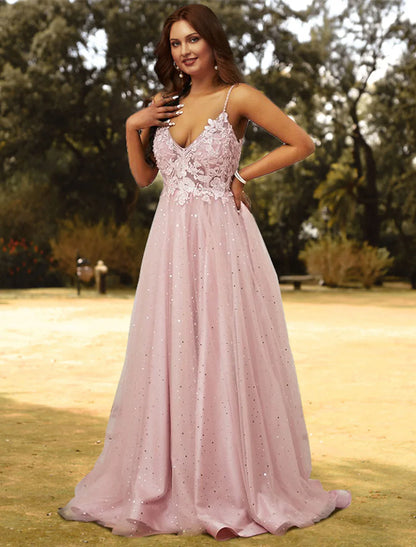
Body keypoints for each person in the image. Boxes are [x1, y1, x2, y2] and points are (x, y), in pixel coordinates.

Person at [58, 3, 351, 540]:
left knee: (221, 351)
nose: (185, 51)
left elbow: (301, 143)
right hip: (169, 245)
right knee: (171, 354)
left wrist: (245, 174)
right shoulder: (166, 106)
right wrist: (133, 127)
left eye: (193, 39)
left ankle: (232, 484)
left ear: (213, 42)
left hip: (221, 243)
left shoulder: (238, 98)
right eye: (175, 43)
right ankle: (170, 480)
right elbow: (145, 178)